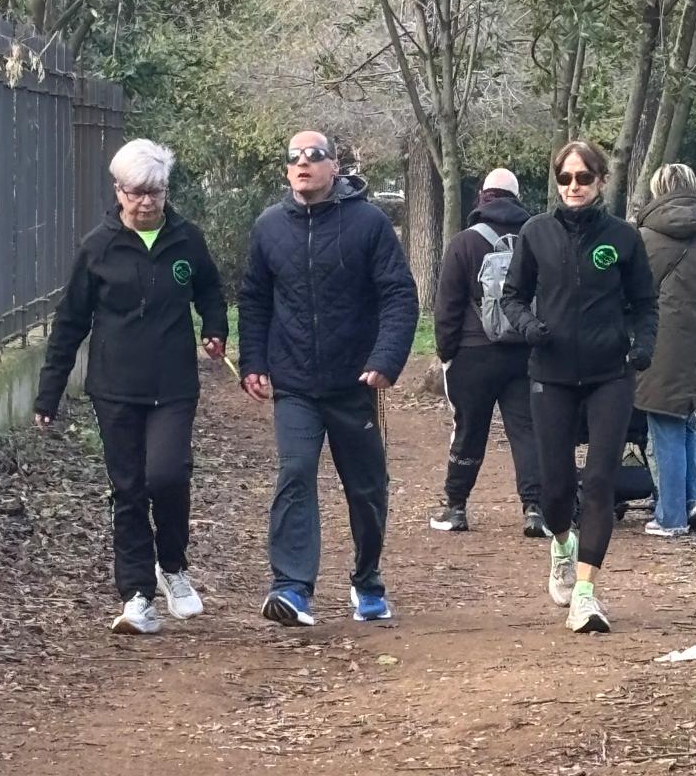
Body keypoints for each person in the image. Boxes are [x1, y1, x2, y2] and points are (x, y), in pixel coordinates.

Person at [33, 139, 228, 636]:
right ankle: (137, 595)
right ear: (118, 191)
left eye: (155, 192)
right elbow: (70, 322)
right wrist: (49, 392)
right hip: (115, 386)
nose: (146, 202)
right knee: (128, 488)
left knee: (167, 475)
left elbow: (209, 288)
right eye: (136, 192)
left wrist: (215, 327)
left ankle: (173, 567)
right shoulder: (97, 247)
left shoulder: (187, 239)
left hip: (173, 384)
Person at [239, 130, 419, 627]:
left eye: (314, 155)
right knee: (295, 473)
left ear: (334, 166)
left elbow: (398, 295)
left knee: (366, 487)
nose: (304, 163)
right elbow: (254, 299)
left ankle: (368, 581)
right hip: (294, 383)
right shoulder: (269, 227)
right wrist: (253, 361)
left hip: (356, 381)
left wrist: (386, 359)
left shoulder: (369, 223)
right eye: (294, 157)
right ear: (286, 170)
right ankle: (291, 588)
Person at [501, 140, 658, 633]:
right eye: (565, 178)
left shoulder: (623, 237)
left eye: (583, 178)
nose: (573, 186)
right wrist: (529, 327)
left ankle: (586, 595)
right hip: (551, 374)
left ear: (601, 182)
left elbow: (646, 303)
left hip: (610, 374)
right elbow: (512, 297)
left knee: (600, 481)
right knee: (556, 488)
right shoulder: (536, 232)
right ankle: (562, 545)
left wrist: (642, 346)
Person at [430, 167, 546, 537]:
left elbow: (447, 305)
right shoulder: (536, 238)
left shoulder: (464, 242)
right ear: (517, 197)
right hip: (524, 352)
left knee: (468, 429)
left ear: (483, 196)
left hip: (472, 353)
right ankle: (535, 509)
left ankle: (456, 507)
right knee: (527, 431)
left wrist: (447, 352)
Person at [635, 163, 696, 537]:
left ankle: (671, 516)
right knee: (689, 417)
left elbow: (635, 290)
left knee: (665, 420)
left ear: (658, 191)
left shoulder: (643, 238)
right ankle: (694, 498)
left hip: (662, 339)